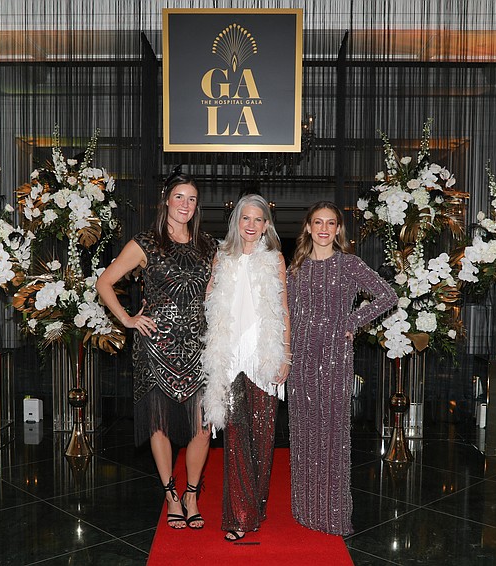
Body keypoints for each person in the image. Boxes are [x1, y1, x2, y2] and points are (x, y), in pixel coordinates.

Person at [96, 170, 216, 530]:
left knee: (203, 425)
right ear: (166, 200)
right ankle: (171, 494)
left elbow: (214, 295)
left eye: (192, 199)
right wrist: (129, 319)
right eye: (180, 197)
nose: (185, 204)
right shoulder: (145, 242)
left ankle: (192, 493)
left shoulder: (208, 245)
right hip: (156, 343)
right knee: (159, 424)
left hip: (199, 343)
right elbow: (104, 282)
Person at [287, 201, 398, 536]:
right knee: (304, 432)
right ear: (308, 227)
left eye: (330, 223)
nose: (323, 229)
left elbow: (387, 295)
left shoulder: (349, 264)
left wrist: (353, 321)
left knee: (333, 433)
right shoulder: (296, 268)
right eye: (317, 222)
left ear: (338, 229)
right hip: (301, 357)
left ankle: (333, 514)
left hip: (336, 354)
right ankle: (305, 510)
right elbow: (286, 314)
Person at [201, 193, 290, 542]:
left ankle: (256, 505)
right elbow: (209, 300)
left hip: (263, 355)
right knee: (236, 438)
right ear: (236, 222)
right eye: (245, 219)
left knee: (264, 439)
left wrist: (285, 355)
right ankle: (240, 516)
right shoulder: (222, 257)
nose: (251, 225)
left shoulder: (275, 259)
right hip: (230, 356)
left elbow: (283, 309)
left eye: (258, 219)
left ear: (266, 224)